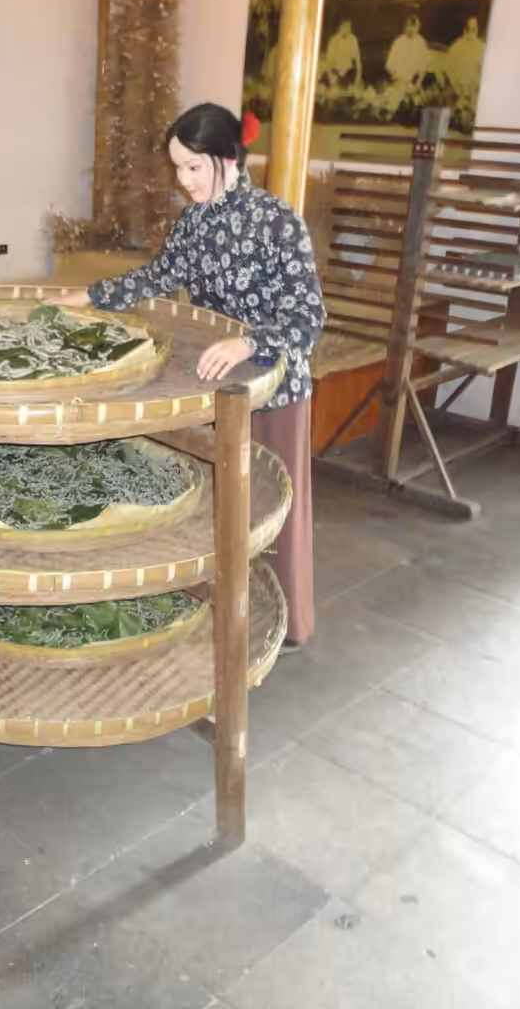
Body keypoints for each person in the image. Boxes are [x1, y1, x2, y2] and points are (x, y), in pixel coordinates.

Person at [54, 103, 324, 647]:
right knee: (215, 506)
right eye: (178, 169)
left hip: (272, 387)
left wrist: (247, 338)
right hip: (214, 382)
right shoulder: (194, 221)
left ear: (228, 159)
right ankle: (219, 608)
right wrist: (89, 296)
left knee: (270, 505)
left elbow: (308, 317)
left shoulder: (277, 221)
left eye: (194, 168)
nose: (185, 182)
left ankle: (283, 621)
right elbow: (160, 275)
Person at [385, 14, 431, 90]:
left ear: (418, 27)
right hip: (398, 83)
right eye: (408, 25)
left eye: (413, 26)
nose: (411, 29)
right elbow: (390, 65)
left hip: (413, 83)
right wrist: (397, 80)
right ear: (405, 27)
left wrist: (418, 83)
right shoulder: (398, 42)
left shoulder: (421, 43)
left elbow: (424, 67)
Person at [445, 16, 486, 100]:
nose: (471, 31)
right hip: (457, 90)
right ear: (464, 29)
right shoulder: (455, 47)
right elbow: (449, 70)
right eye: (469, 28)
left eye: (474, 29)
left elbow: (483, 70)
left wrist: (475, 88)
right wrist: (457, 88)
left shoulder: (482, 47)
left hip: (475, 91)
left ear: (477, 29)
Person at [321, 19, 363, 89]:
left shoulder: (353, 40)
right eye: (345, 27)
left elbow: (358, 60)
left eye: (349, 27)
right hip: (336, 73)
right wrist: (331, 77)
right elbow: (328, 63)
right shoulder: (333, 41)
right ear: (340, 27)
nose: (347, 29)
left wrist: (358, 77)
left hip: (348, 73)